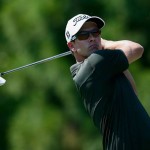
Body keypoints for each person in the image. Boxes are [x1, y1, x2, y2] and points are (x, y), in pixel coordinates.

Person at [65, 14, 150, 150]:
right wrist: (106, 43)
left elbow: (133, 93)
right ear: (72, 46)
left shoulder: (101, 67)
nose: (92, 38)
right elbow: (136, 49)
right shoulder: (94, 65)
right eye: (83, 35)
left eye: (95, 32)